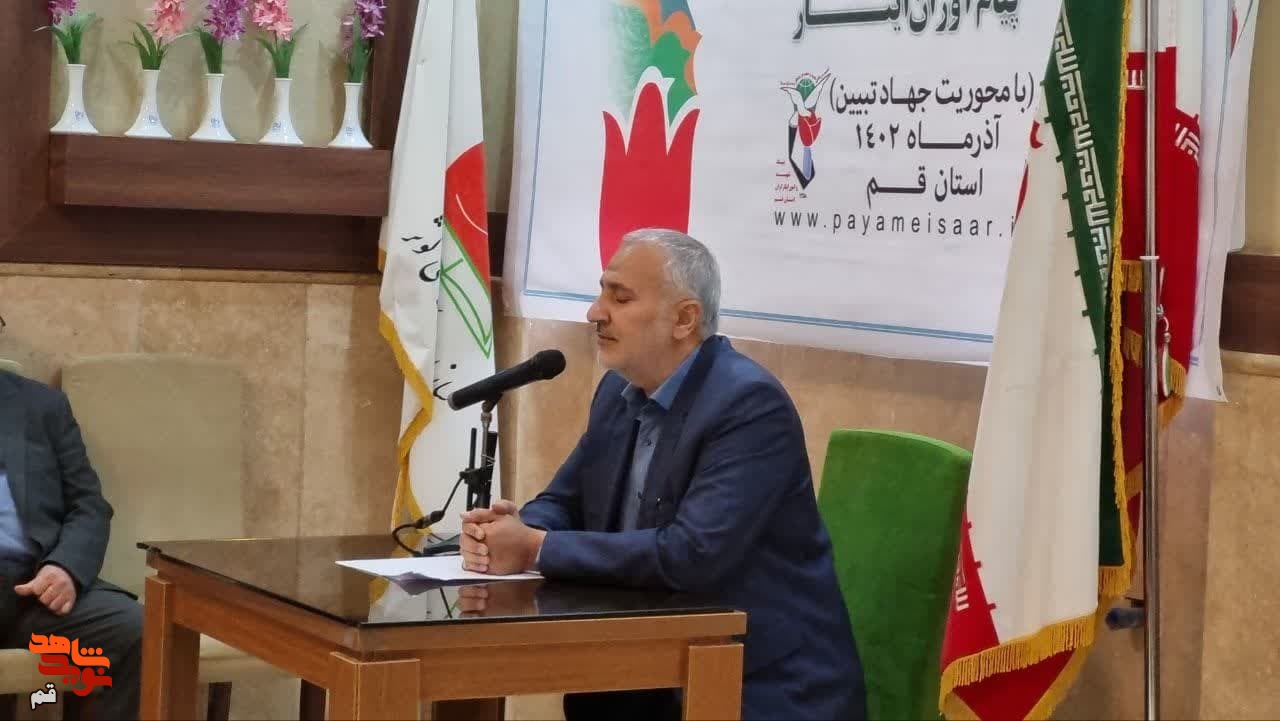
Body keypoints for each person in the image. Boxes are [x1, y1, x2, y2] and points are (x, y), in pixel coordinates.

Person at [459, 229, 867, 720]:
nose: (594, 312)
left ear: (684, 319)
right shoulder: (617, 393)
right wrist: (510, 528)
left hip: (757, 685)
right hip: (643, 670)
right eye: (601, 292)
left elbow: (692, 554)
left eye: (620, 297)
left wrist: (535, 548)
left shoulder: (749, 405)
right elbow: (566, 500)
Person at [0, 368, 141, 720]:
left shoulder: (42, 405)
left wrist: (64, 567)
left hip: (35, 590)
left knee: (143, 632)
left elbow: (89, 505)